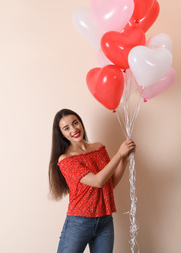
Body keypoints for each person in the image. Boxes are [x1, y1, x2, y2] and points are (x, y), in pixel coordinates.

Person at [48, 108, 136, 253]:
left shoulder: (99, 148)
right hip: (79, 223)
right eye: (66, 128)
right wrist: (119, 154)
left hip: (105, 221)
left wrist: (124, 160)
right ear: (62, 134)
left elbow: (109, 184)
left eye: (75, 123)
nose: (73, 129)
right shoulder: (66, 159)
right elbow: (97, 181)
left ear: (81, 123)